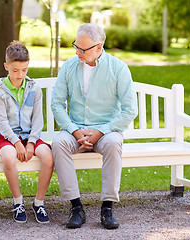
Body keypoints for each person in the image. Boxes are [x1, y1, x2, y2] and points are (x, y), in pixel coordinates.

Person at [51, 23, 138, 229]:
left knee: (113, 143)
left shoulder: (118, 68)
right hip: (76, 129)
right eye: (76, 46)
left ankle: (107, 208)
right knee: (58, 143)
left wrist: (101, 132)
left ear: (99, 48)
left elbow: (130, 110)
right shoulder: (69, 66)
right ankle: (76, 207)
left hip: (106, 130)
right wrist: (74, 130)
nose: (77, 52)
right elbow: (56, 104)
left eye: (83, 49)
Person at [0, 41, 53, 223]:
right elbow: (2, 122)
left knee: (48, 157)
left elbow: (37, 119)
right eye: (15, 70)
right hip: (7, 138)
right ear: (6, 67)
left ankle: (39, 203)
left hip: (31, 137)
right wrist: (17, 143)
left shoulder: (34, 88)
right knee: (9, 158)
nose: (20, 75)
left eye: (24, 70)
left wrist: (32, 142)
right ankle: (18, 202)